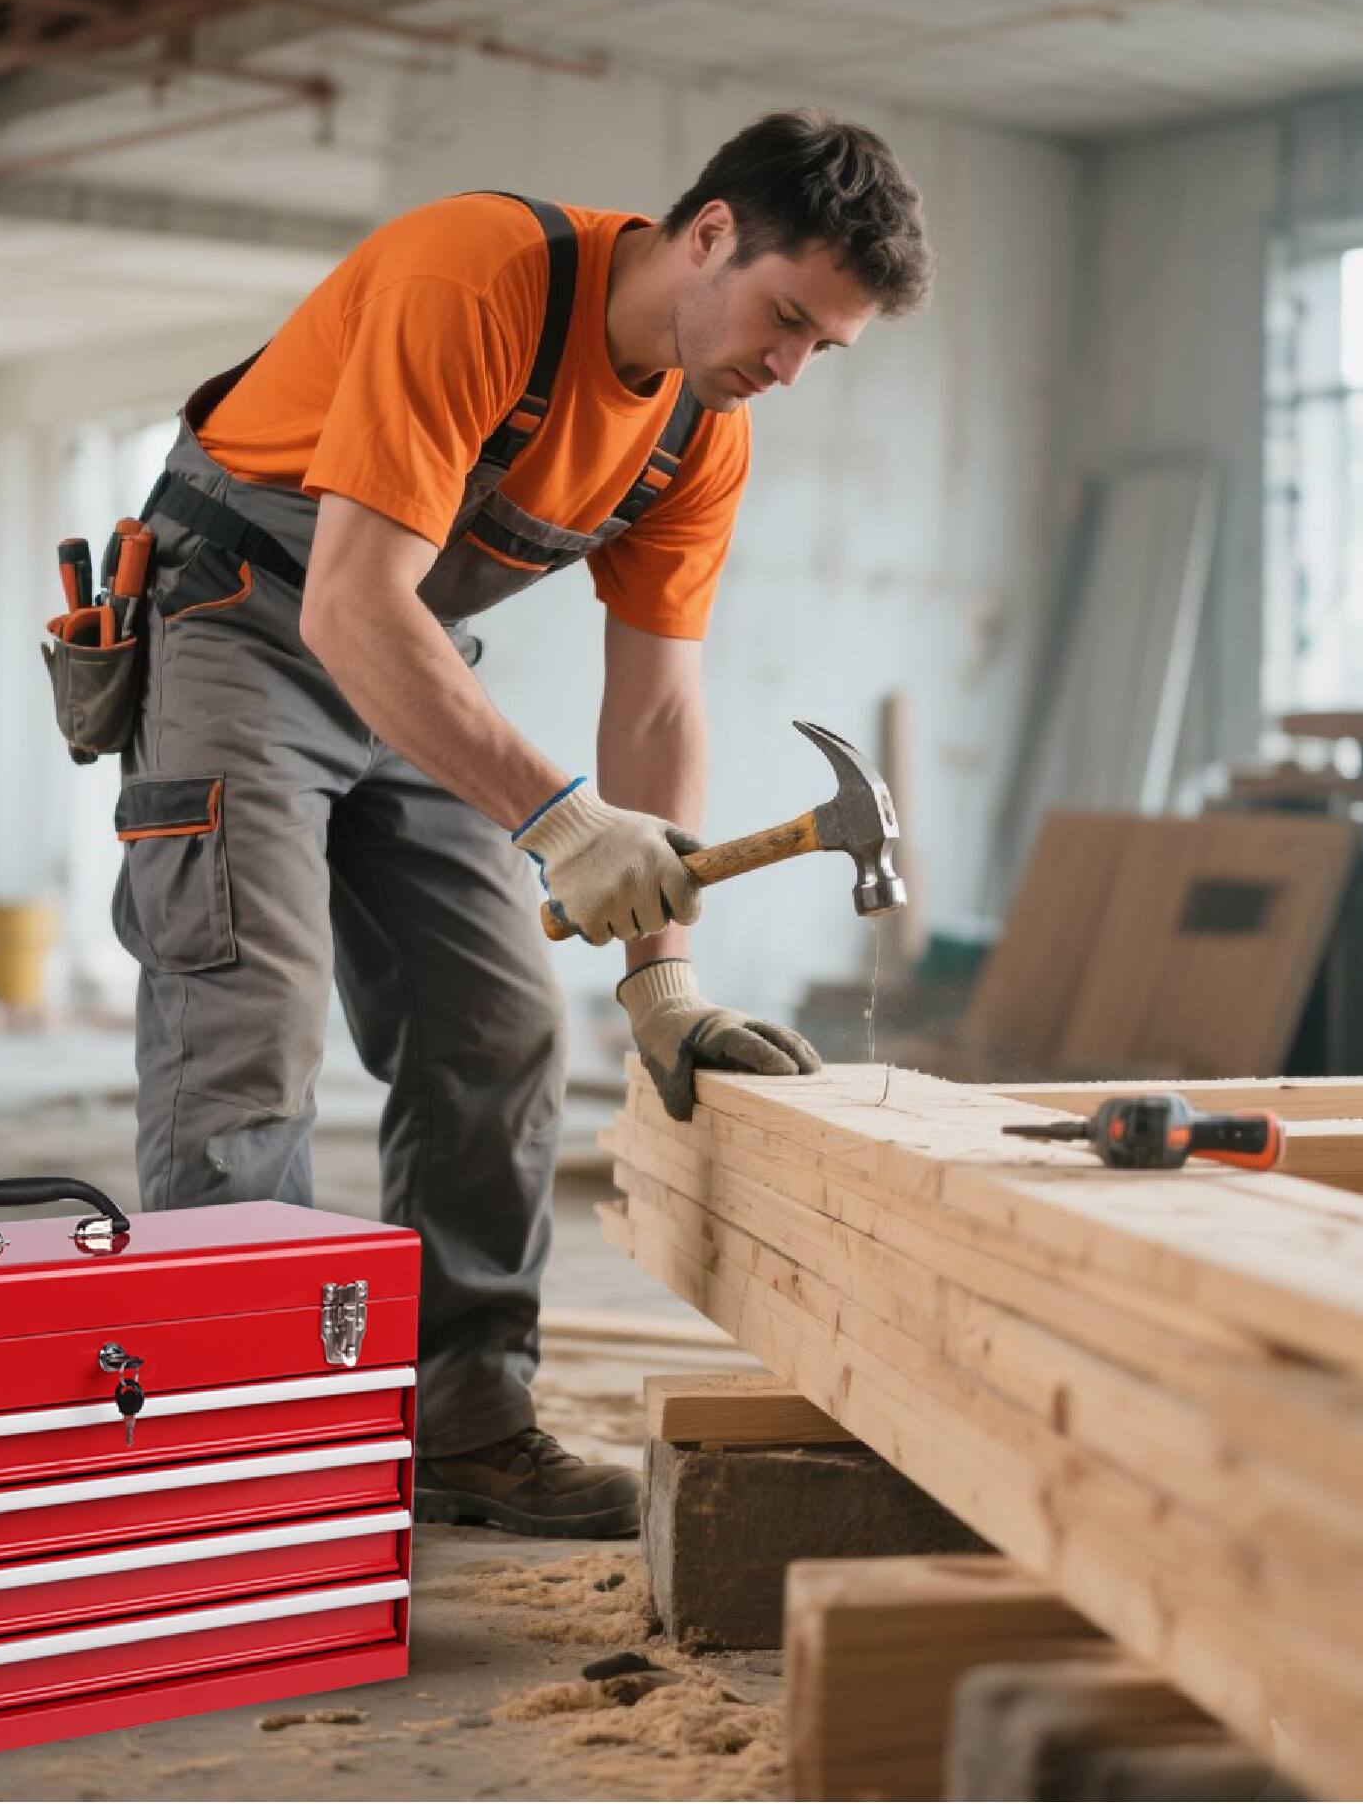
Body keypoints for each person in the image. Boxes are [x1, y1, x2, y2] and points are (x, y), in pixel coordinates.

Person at [113, 107, 932, 1538]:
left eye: (827, 349)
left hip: (403, 650)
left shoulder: (700, 430)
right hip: (244, 617)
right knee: (253, 1024)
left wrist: (663, 978)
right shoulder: (477, 279)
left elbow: (658, 708)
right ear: (711, 234)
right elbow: (346, 601)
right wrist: (562, 823)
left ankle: (465, 1422)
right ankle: (235, 1466)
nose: (789, 368)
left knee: (503, 1025)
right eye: (788, 319)